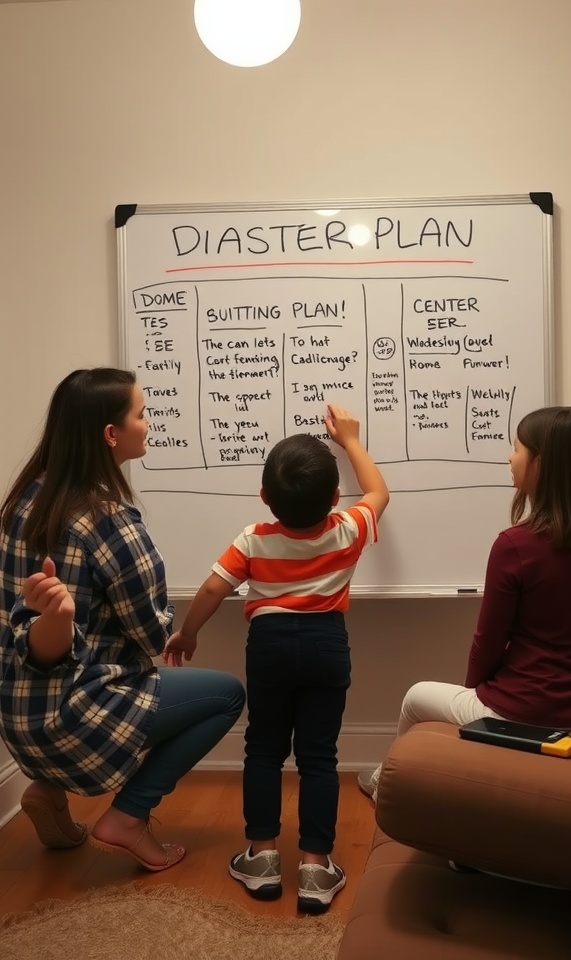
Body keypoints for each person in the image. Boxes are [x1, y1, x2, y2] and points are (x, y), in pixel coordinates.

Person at [0, 367, 245, 872]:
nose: (149, 422)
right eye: (141, 413)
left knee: (94, 663)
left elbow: (27, 626)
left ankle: (47, 791)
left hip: (19, 723)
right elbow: (153, 635)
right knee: (226, 695)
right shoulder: (108, 519)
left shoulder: (23, 501)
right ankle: (129, 817)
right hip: (76, 722)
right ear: (111, 435)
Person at [163, 404, 390, 912]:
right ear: (335, 498)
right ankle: (314, 867)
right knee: (319, 755)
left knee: (263, 748)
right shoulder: (347, 528)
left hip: (268, 646)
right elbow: (379, 493)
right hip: (328, 644)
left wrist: (188, 633)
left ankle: (262, 857)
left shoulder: (254, 537)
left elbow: (211, 588)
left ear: (265, 498)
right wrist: (350, 440)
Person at [358, 405, 571, 803]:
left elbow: (487, 642)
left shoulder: (516, 546)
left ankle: (383, 787)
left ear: (540, 465)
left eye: (516, 448)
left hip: (520, 710)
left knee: (416, 696)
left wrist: (476, 693)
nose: (510, 458)